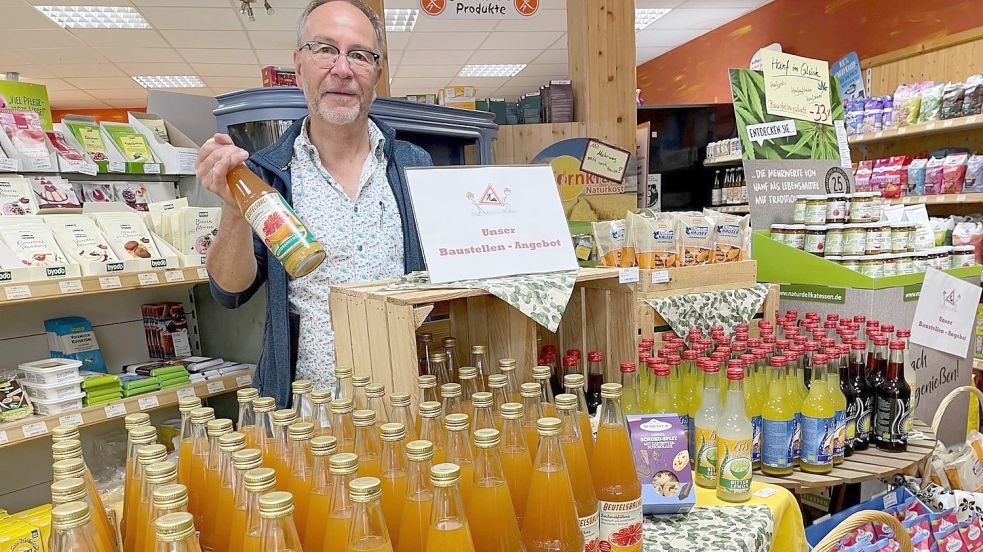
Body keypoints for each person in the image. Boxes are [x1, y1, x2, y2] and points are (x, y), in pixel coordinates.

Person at [195, 0, 431, 407]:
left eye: (359, 55)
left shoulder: (412, 165)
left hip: (404, 400)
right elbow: (230, 292)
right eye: (325, 49)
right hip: (308, 412)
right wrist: (235, 208)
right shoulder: (267, 172)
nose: (342, 69)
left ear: (376, 74)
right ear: (299, 65)